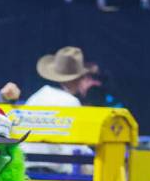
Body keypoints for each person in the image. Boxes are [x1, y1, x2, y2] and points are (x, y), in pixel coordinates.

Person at [23, 46, 100, 174]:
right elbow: (77, 146)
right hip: (55, 174)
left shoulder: (35, 97)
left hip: (26, 170)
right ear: (78, 79)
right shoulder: (71, 102)